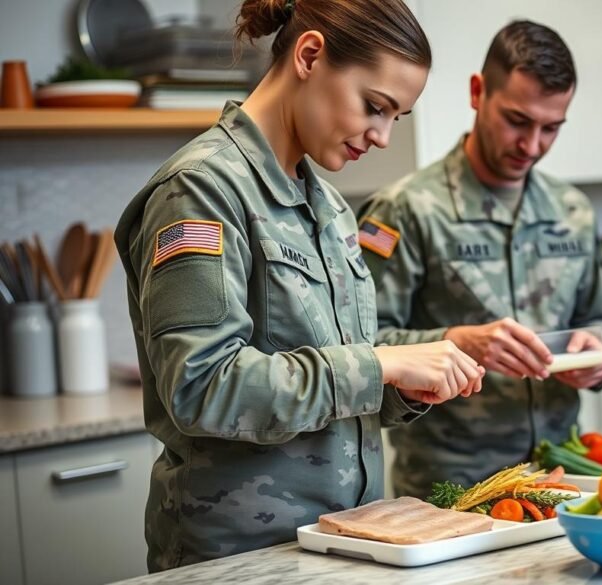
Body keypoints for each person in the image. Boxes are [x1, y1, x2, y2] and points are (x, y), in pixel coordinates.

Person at [113, 0, 484, 571]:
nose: (382, 136)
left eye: (396, 118)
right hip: (239, 560)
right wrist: (381, 365)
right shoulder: (201, 191)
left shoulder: (329, 205)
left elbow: (335, 371)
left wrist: (407, 383)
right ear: (310, 55)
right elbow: (201, 386)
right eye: (374, 107)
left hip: (346, 545)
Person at [358, 20, 602, 498]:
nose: (532, 145)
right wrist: (457, 342)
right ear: (478, 93)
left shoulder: (573, 212)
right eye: (517, 121)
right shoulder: (407, 210)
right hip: (449, 490)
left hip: (559, 477)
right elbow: (360, 343)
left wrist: (601, 350)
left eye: (551, 128)